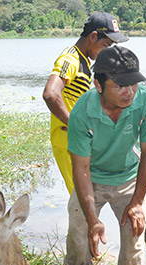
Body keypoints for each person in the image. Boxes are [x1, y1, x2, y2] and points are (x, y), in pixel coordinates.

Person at [63, 46, 146, 265]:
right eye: (119, 86)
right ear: (98, 85)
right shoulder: (82, 112)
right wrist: (92, 219)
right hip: (92, 178)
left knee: (134, 241)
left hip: (130, 178)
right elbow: (81, 168)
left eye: (133, 84)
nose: (129, 92)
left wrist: (137, 202)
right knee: (79, 235)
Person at [42, 12, 128, 194]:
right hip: (67, 140)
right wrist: (75, 125)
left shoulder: (84, 61)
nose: (106, 52)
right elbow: (51, 94)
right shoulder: (70, 59)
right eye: (105, 45)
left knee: (88, 195)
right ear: (93, 36)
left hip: (78, 141)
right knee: (82, 197)